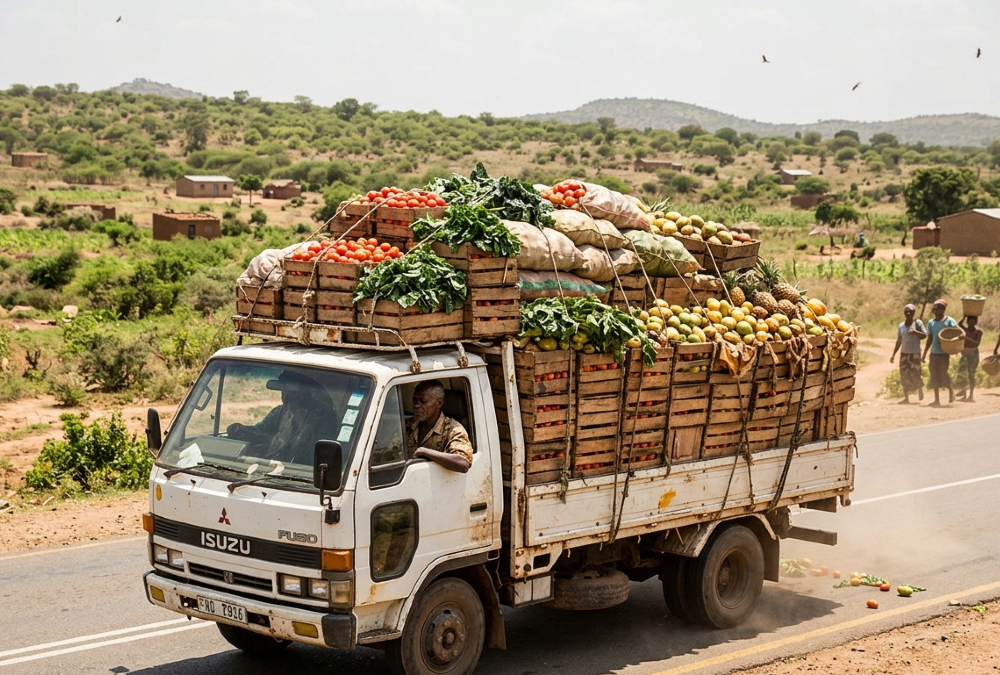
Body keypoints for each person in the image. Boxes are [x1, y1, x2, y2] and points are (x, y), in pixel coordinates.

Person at [227, 370, 335, 462]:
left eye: (292, 392)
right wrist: (242, 430)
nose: (285, 396)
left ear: (306, 392)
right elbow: (260, 429)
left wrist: (261, 438)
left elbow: (305, 452)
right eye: (283, 391)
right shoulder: (279, 412)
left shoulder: (323, 416)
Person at [407, 380, 473, 473]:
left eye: (423, 401)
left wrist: (426, 452)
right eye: (415, 400)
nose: (416, 405)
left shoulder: (453, 429)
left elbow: (463, 464)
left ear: (439, 403)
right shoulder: (409, 424)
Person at [921, 299, 958, 407]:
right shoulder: (931, 323)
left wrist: (955, 345)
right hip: (934, 353)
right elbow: (930, 338)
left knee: (943, 373)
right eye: (934, 309)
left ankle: (950, 390)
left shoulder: (949, 321)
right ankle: (936, 399)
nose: (935, 311)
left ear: (943, 309)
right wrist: (924, 354)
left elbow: (957, 332)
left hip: (944, 353)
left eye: (938, 309)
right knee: (934, 376)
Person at [889, 304, 926, 404]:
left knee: (916, 372)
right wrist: (893, 354)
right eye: (906, 311)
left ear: (914, 313)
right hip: (904, 353)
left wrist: (915, 332)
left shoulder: (917, 323)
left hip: (915, 353)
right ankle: (906, 398)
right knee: (904, 374)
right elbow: (899, 340)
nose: (908, 313)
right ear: (904, 313)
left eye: (911, 311)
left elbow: (924, 335)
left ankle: (919, 388)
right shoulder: (901, 326)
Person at [957, 315, 983, 402]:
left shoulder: (978, 332)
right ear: (967, 322)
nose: (971, 323)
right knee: (963, 374)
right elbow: (959, 323)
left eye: (973, 322)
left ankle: (971, 395)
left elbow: (976, 343)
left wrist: (965, 337)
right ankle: (964, 393)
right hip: (965, 354)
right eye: (969, 321)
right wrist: (964, 316)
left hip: (973, 355)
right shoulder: (965, 330)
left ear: (975, 322)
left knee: (971, 374)